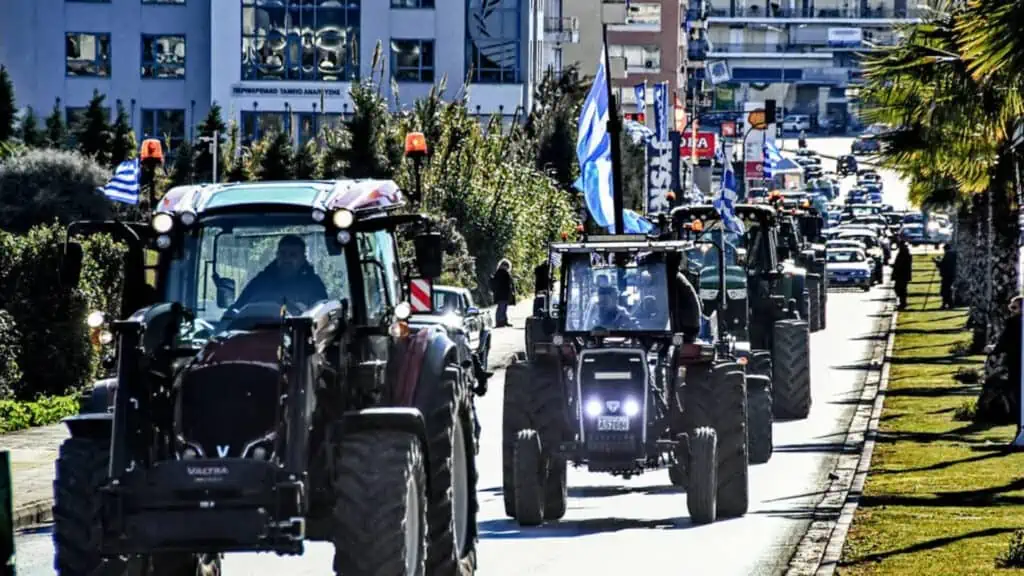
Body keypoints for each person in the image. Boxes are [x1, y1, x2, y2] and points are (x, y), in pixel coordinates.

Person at [231, 235, 328, 311]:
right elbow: (238, 309)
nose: (287, 259)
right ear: (277, 255)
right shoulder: (260, 282)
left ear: (303, 259)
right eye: (283, 253)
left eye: (293, 255)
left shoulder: (313, 285)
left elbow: (322, 316)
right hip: (260, 333)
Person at [490, 259, 515, 327]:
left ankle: (503, 321)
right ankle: (499, 322)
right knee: (501, 308)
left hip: (503, 294)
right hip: (502, 294)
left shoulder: (501, 273)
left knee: (503, 308)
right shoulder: (501, 273)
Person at [934, 244, 957, 309]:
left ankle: (948, 304)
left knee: (945, 290)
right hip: (950, 274)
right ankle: (948, 304)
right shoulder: (952, 254)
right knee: (947, 290)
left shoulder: (948, 254)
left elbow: (943, 264)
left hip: (947, 275)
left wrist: (936, 262)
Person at [892, 240, 912, 310]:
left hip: (902, 275)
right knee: (899, 289)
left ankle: (903, 303)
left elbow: (901, 264)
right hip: (902, 275)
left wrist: (895, 266)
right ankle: (902, 302)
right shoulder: (903, 252)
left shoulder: (904, 253)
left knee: (901, 289)